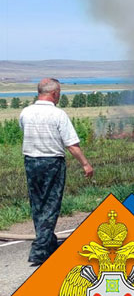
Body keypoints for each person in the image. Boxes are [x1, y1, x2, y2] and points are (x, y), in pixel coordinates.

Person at [19, 78, 94, 266]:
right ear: (54, 93)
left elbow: (25, 132)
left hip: (30, 162)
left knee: (37, 203)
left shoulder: (25, 112)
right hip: (52, 162)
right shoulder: (58, 114)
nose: (59, 96)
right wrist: (85, 164)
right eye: (59, 93)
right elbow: (71, 144)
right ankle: (39, 250)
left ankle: (49, 241)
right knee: (51, 205)